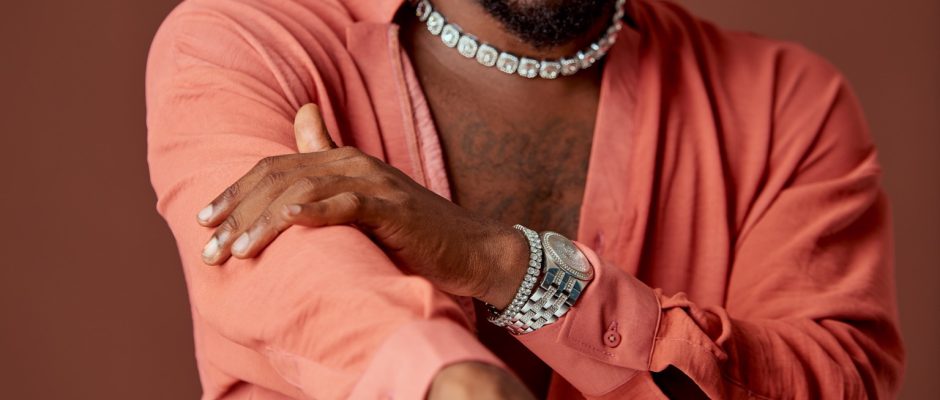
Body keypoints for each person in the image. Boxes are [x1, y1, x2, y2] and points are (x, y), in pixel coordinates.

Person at [145, 0, 904, 398]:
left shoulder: (786, 103)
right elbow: (296, 282)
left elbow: (830, 380)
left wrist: (507, 266)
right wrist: (452, 381)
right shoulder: (246, 44)